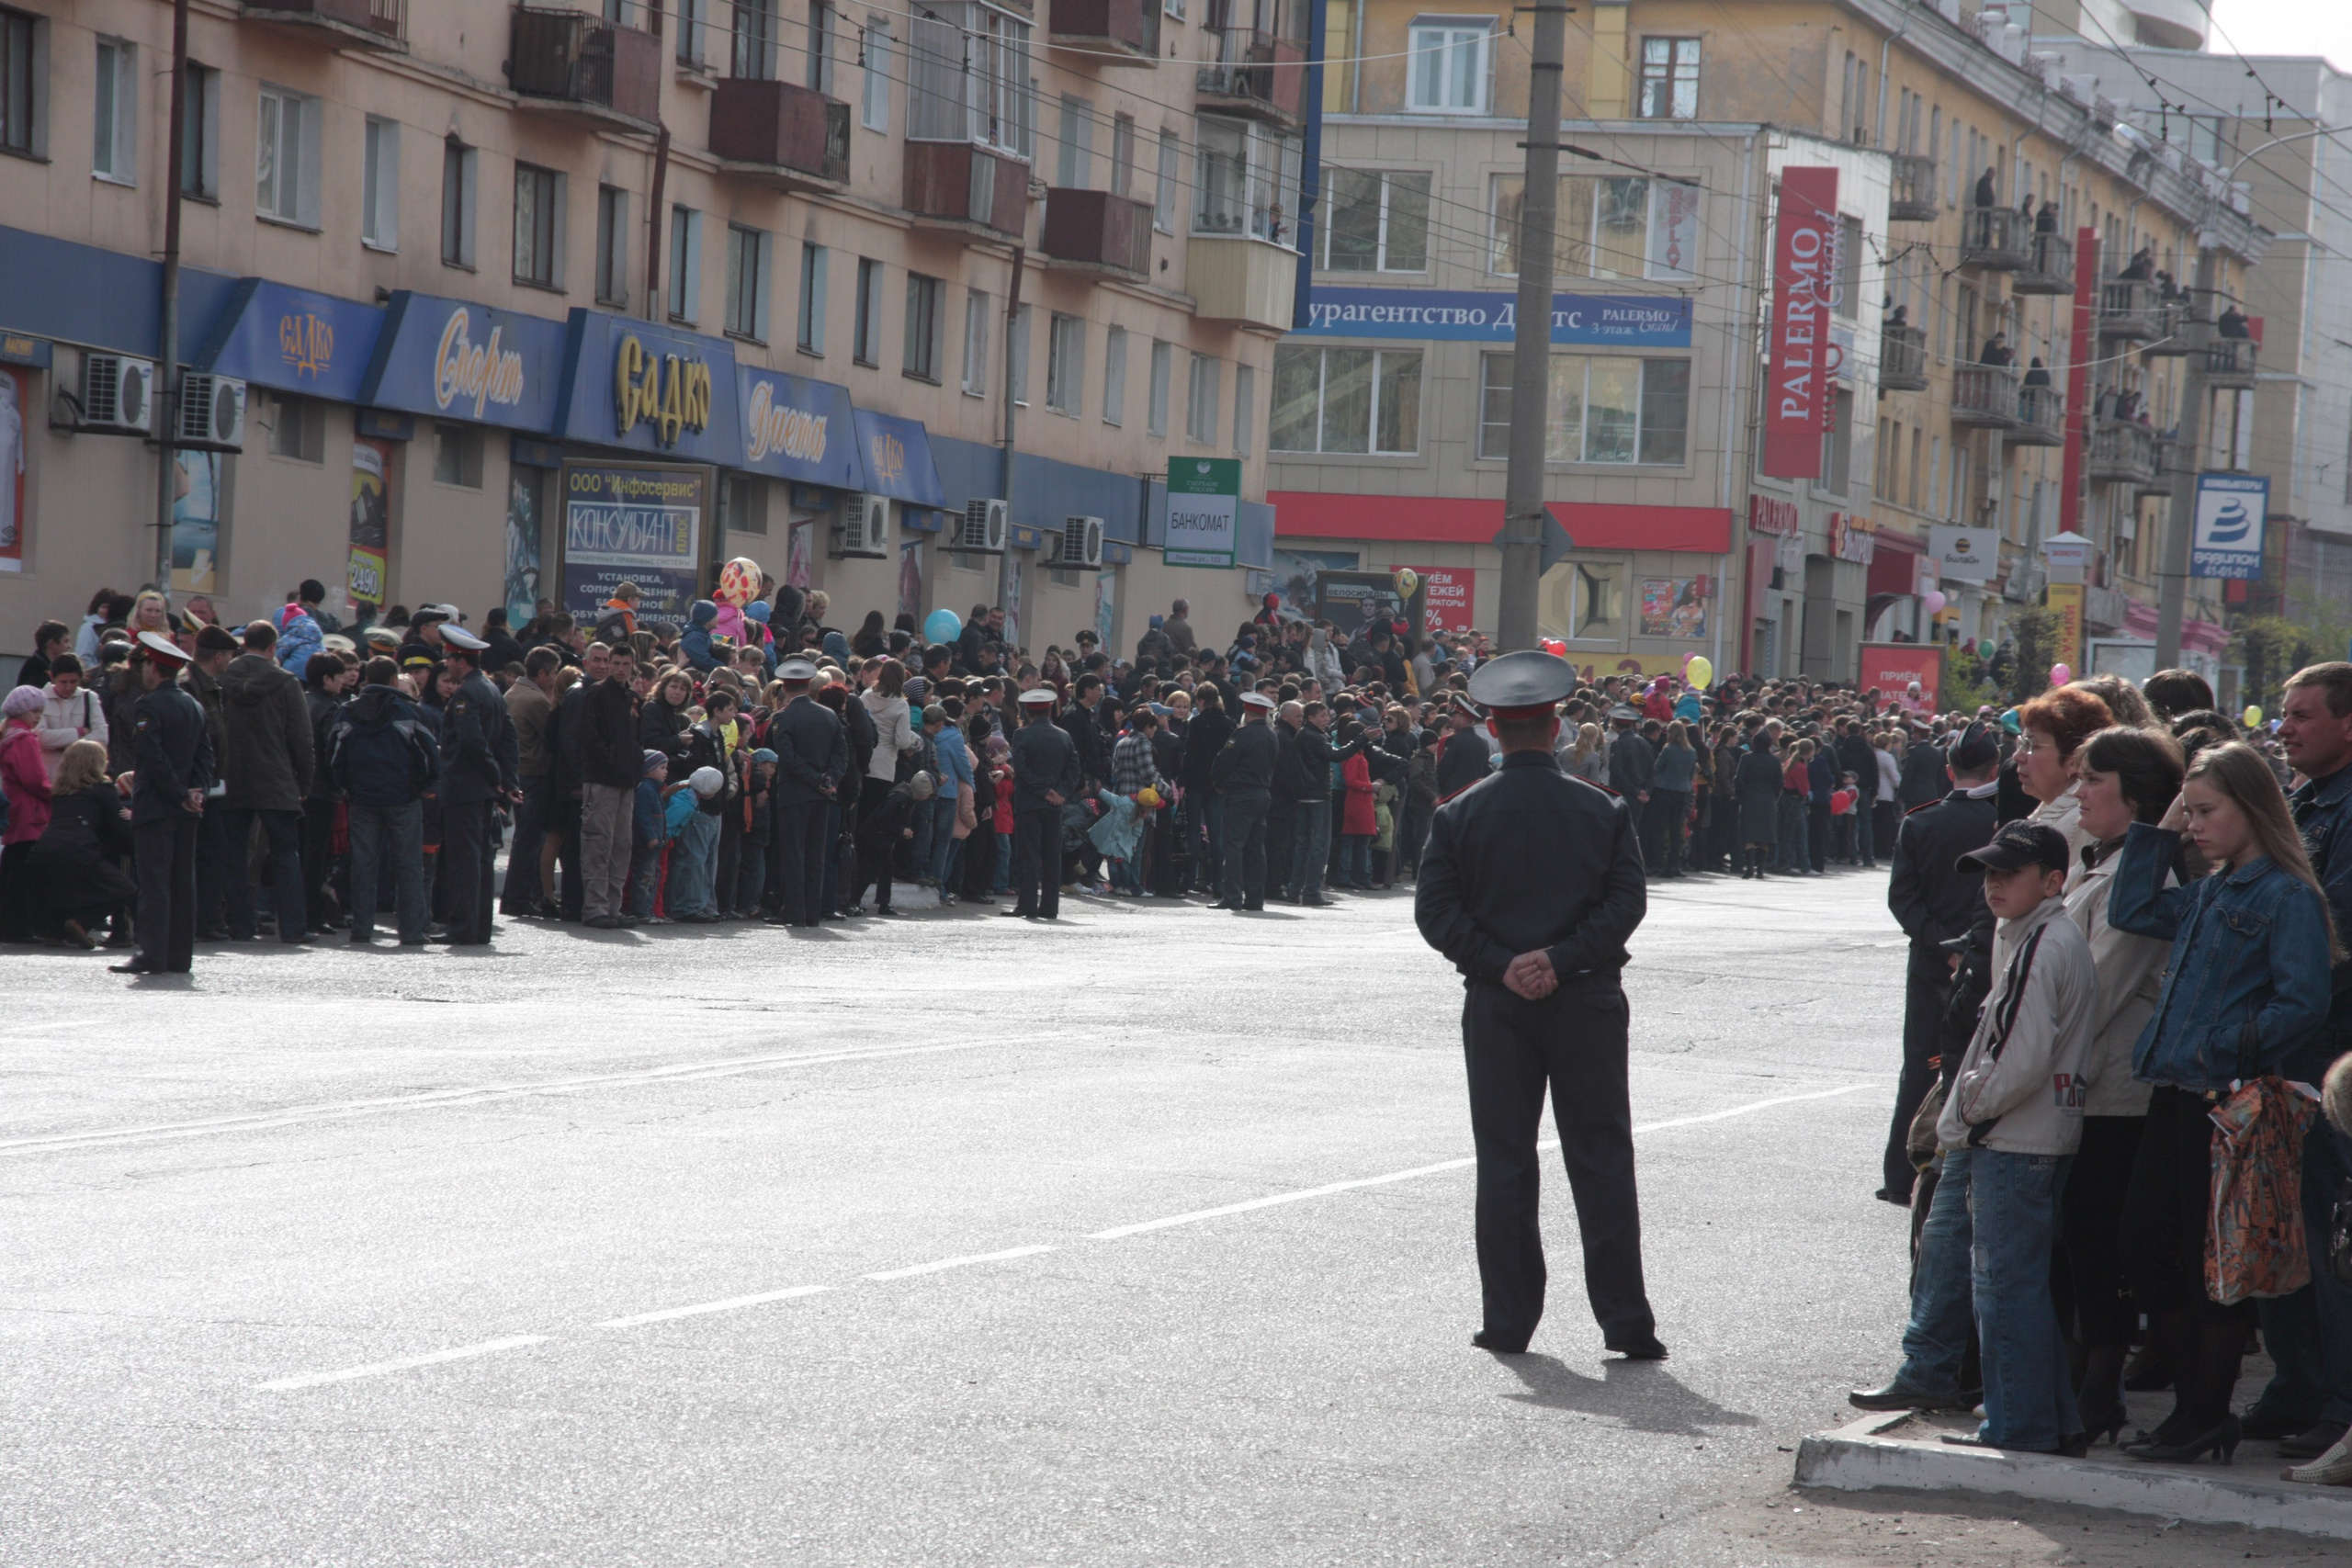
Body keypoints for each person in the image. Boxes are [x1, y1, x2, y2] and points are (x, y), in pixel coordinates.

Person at [1415, 649, 1662, 1361]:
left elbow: (1437, 914)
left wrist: (1504, 964)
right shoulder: (1601, 808)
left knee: (1505, 1162)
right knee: (1602, 1156)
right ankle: (1626, 1321)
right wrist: (1558, 959)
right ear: (1555, 727)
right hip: (1584, 997)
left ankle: (1508, 1320)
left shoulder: (1457, 814)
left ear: (1494, 728)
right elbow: (1626, 904)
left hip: (1497, 1006)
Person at [2109, 741, 2335, 1464]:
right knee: (2146, 1247)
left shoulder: (2288, 895)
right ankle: (2191, 1409)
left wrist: (2227, 1045)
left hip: (2228, 1099)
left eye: (2209, 811)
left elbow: (2304, 1000)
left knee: (2214, 1262)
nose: (2197, 825)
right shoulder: (2209, 890)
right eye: (2192, 811)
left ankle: (2205, 1413)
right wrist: (2161, 826)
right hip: (2175, 1092)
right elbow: (2134, 905)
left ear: (2253, 807)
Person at [1855, 820, 2097, 1456]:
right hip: (2022, 1132)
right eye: (1988, 872)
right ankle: (2044, 1418)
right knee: (2015, 1284)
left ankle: (2018, 1424)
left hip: (2016, 1138)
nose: (1993, 884)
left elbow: (2019, 1054)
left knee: (2005, 1287)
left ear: (2052, 881)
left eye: (2007, 873)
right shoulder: (2035, 935)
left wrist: (1964, 1113)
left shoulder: (2043, 942)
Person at [2059, 724, 2182, 1445]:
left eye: (2092, 780)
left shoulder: (2144, 879)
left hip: (2112, 1094)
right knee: (2078, 1244)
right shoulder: (2091, 862)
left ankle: (2098, 1389)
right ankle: (2082, 1380)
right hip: (2078, 1086)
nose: (2079, 792)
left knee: (2099, 1245)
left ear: (2133, 794)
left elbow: (2088, 992)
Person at [2264, 662, 2352, 1467]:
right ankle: (2298, 1383)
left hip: (2333, 1053)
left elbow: (2331, 925)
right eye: (2284, 714)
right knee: (2285, 1221)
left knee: (2331, 1228)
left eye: (2301, 715)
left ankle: (2338, 1400)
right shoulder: (2301, 800)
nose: (2284, 727)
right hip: (2288, 1046)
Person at [1881, 721, 2001, 1204]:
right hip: (1988, 958)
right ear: (1995, 768)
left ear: (1949, 770)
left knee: (1921, 1066)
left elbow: (1902, 900)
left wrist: (1939, 945)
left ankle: (1900, 1175)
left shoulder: (1921, 820)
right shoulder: (2004, 821)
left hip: (1931, 963)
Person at [114, 632, 214, 975]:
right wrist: (196, 792)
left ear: (153, 667)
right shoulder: (194, 705)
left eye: (145, 664)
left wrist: (178, 793)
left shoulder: (149, 704)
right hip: (187, 810)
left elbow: (151, 756)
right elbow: (206, 755)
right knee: (182, 882)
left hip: (158, 807)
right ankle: (178, 956)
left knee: (155, 882)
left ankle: (152, 954)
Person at [328, 657, 437, 946]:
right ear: (393, 680)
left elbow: (335, 757)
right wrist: (421, 787)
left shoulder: (346, 712)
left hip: (362, 799)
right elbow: (429, 757)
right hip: (403, 798)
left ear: (365, 679)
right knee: (409, 866)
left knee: (364, 865)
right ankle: (411, 931)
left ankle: (362, 928)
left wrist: (348, 787)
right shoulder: (408, 711)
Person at [220, 619, 316, 944]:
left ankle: (240, 926)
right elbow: (302, 739)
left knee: (234, 853)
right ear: (273, 648)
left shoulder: (223, 679)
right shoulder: (286, 683)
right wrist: (304, 783)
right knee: (286, 853)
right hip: (275, 779)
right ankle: (293, 928)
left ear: (244, 643)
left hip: (234, 777)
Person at [434, 625, 521, 945]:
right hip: (482, 790)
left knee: (464, 861)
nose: (447, 664)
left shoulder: (467, 692)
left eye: (450, 659)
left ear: (461, 661)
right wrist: (506, 779)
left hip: (465, 788)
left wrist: (497, 777)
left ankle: (463, 927)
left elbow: (472, 741)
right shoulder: (491, 689)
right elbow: (509, 739)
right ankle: (479, 927)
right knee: (481, 860)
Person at [765, 657, 848, 929]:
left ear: (785, 687)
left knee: (793, 855)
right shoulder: (829, 715)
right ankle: (812, 913)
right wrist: (829, 778)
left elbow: (787, 758)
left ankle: (795, 913)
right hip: (823, 794)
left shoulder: (783, 717)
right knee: (816, 855)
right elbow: (841, 754)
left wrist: (815, 780)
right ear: (809, 684)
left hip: (794, 794)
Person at [29, 738, 134, 948]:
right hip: (79, 850)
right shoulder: (103, 790)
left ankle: (55, 932)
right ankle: (81, 923)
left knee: (63, 887)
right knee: (125, 890)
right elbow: (118, 831)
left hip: (43, 849)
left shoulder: (60, 792)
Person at [577, 638, 643, 930]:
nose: (618, 669)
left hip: (626, 782)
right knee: (597, 844)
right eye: (614, 663)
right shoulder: (596, 693)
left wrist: (633, 764)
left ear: (632, 667)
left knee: (621, 847)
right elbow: (588, 737)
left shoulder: (631, 697)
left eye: (624, 664)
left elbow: (636, 739)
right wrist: (614, 761)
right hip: (602, 779)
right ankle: (595, 908)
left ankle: (613, 908)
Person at [1006, 685, 1080, 919]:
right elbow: (1074, 770)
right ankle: (1050, 907)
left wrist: (1043, 791)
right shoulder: (1064, 735)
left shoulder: (1022, 735)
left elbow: (1022, 769)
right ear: (1049, 711)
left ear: (1028, 712)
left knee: (1028, 856)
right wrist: (1059, 793)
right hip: (1054, 805)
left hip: (1029, 803)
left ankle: (1027, 904)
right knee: (1051, 857)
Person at [1211, 690, 1279, 912]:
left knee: (1233, 847)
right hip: (1262, 794)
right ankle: (1255, 898)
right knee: (1255, 849)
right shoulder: (1271, 736)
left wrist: (1219, 783)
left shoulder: (1242, 734)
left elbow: (1223, 762)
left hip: (1240, 796)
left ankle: (1231, 897)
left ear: (1247, 713)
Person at [0, 683, 50, 941]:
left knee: (12, 866)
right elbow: (34, 778)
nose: (38, 716)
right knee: (24, 870)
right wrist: (53, 793)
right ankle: (20, 926)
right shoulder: (25, 739)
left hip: (15, 807)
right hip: (30, 810)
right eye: (35, 711)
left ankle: (9, 923)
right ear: (22, 711)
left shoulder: (9, 735)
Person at [849, 771, 931, 916]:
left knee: (885, 869)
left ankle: (881, 903)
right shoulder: (900, 798)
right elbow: (881, 820)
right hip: (872, 838)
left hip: (882, 839)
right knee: (868, 871)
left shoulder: (906, 796)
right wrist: (901, 831)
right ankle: (854, 901)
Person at [36, 653, 106, 782]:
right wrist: (80, 732)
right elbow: (42, 737)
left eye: (73, 682)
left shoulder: (89, 698)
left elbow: (102, 736)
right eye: (63, 682)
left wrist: (65, 746)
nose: (68, 687)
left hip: (81, 773)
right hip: (50, 775)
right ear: (52, 677)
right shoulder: (40, 698)